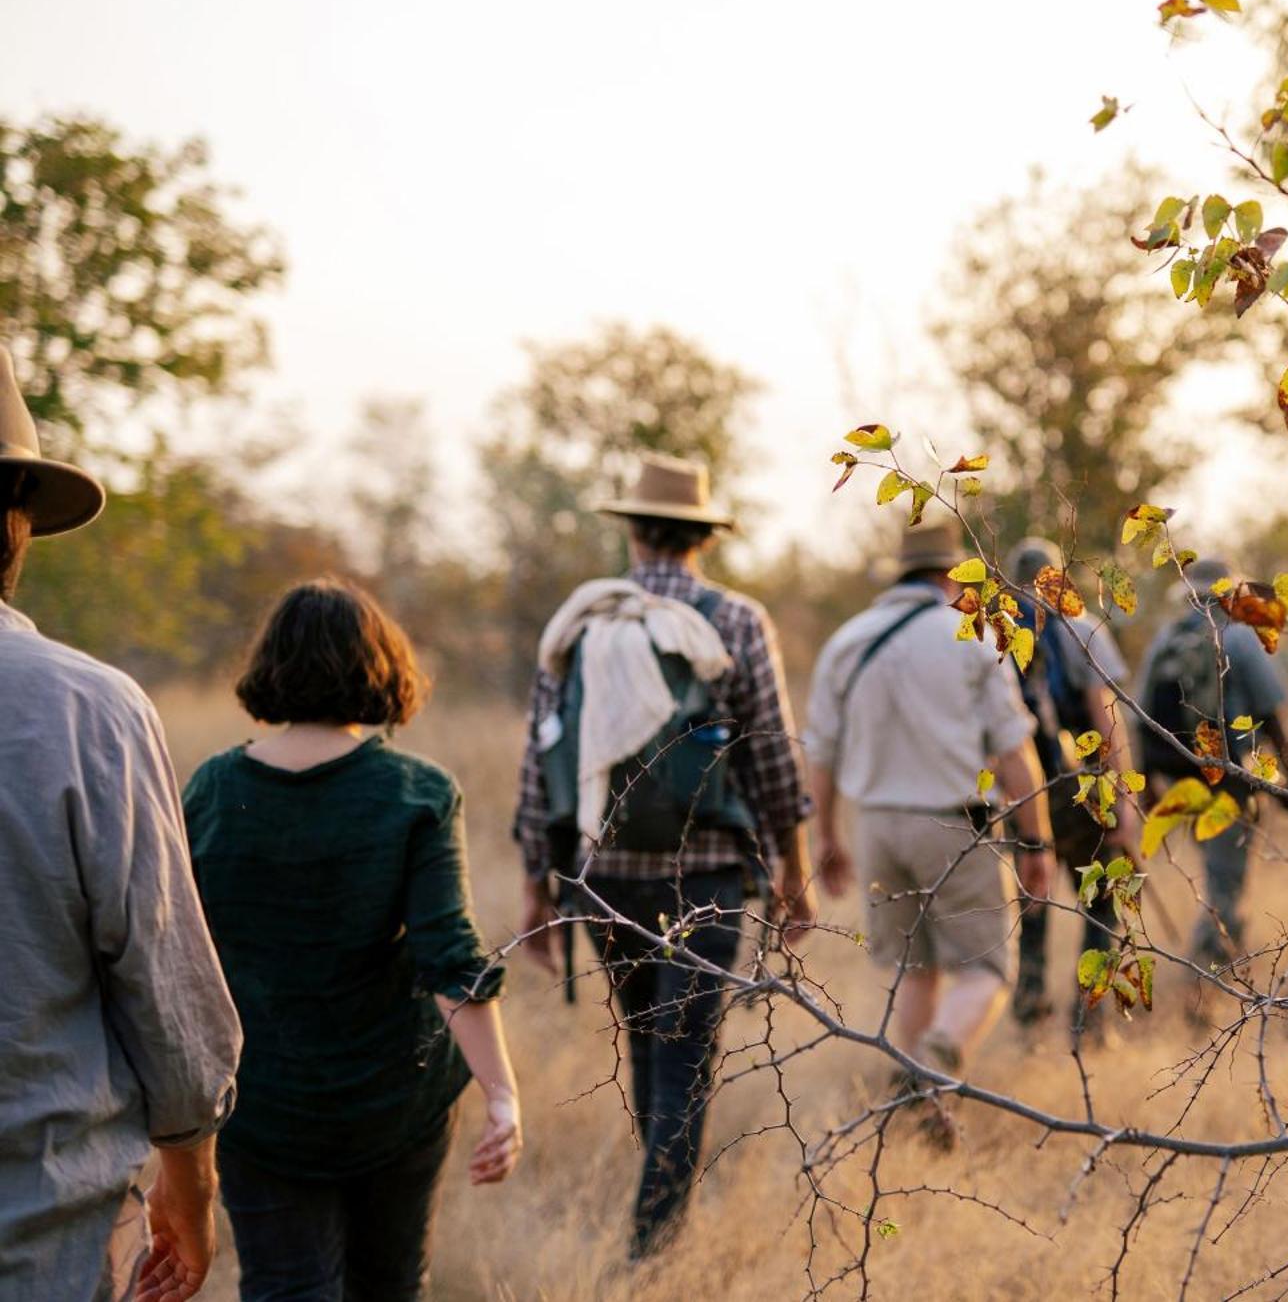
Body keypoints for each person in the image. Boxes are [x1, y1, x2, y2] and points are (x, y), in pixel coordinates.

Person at [181, 578, 522, 1301]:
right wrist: (501, 1093)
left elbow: (180, 957)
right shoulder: (415, 791)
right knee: (391, 1287)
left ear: (270, 665)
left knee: (282, 1287)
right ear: (381, 667)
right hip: (393, 1100)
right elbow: (450, 956)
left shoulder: (213, 789)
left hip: (260, 1103)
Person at [513, 453, 815, 1258]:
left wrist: (536, 890)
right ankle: (650, 1248)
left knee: (650, 1041)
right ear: (700, 538)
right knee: (684, 1055)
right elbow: (774, 758)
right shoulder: (737, 620)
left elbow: (539, 764)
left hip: (601, 880)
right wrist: (796, 869)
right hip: (708, 880)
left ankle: (656, 1222)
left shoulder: (581, 624)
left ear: (635, 533)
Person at [0, 347, 241, 1302]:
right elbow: (162, 977)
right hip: (36, 1237)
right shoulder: (88, 709)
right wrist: (192, 1174)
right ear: (17, 516)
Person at [803, 519, 1054, 1146]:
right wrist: (1037, 844)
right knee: (986, 974)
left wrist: (826, 838)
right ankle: (932, 1068)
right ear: (952, 575)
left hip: (877, 827)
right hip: (953, 824)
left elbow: (822, 753)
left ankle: (922, 1117)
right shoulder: (971, 637)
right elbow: (1015, 752)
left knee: (914, 972)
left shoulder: (847, 640)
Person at [1002, 537, 1143, 1028]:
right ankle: (1090, 1018)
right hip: (1082, 792)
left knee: (1032, 901)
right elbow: (1105, 719)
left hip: (1022, 794)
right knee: (1103, 899)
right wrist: (1123, 799)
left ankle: (1029, 1003)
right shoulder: (1079, 630)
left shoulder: (996, 636)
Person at [1137, 555, 1288, 967]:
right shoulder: (1243, 636)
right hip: (1231, 779)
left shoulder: (1166, 638)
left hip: (1183, 778)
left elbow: (1138, 717)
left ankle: (1224, 970)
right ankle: (1206, 974)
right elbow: (1275, 714)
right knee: (1225, 884)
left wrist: (1148, 787)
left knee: (1217, 874)